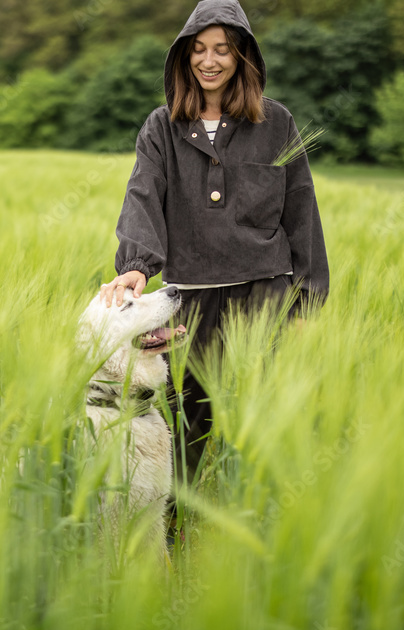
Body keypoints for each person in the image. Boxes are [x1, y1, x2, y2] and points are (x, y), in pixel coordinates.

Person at [99, 0, 330, 484]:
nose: (209, 61)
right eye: (199, 50)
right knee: (184, 422)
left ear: (242, 56)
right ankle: (176, 523)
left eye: (222, 50)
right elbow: (144, 192)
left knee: (264, 418)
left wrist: (305, 303)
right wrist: (138, 263)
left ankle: (259, 519)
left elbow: (302, 212)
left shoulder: (277, 123)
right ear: (184, 57)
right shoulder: (161, 127)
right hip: (190, 298)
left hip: (263, 293)